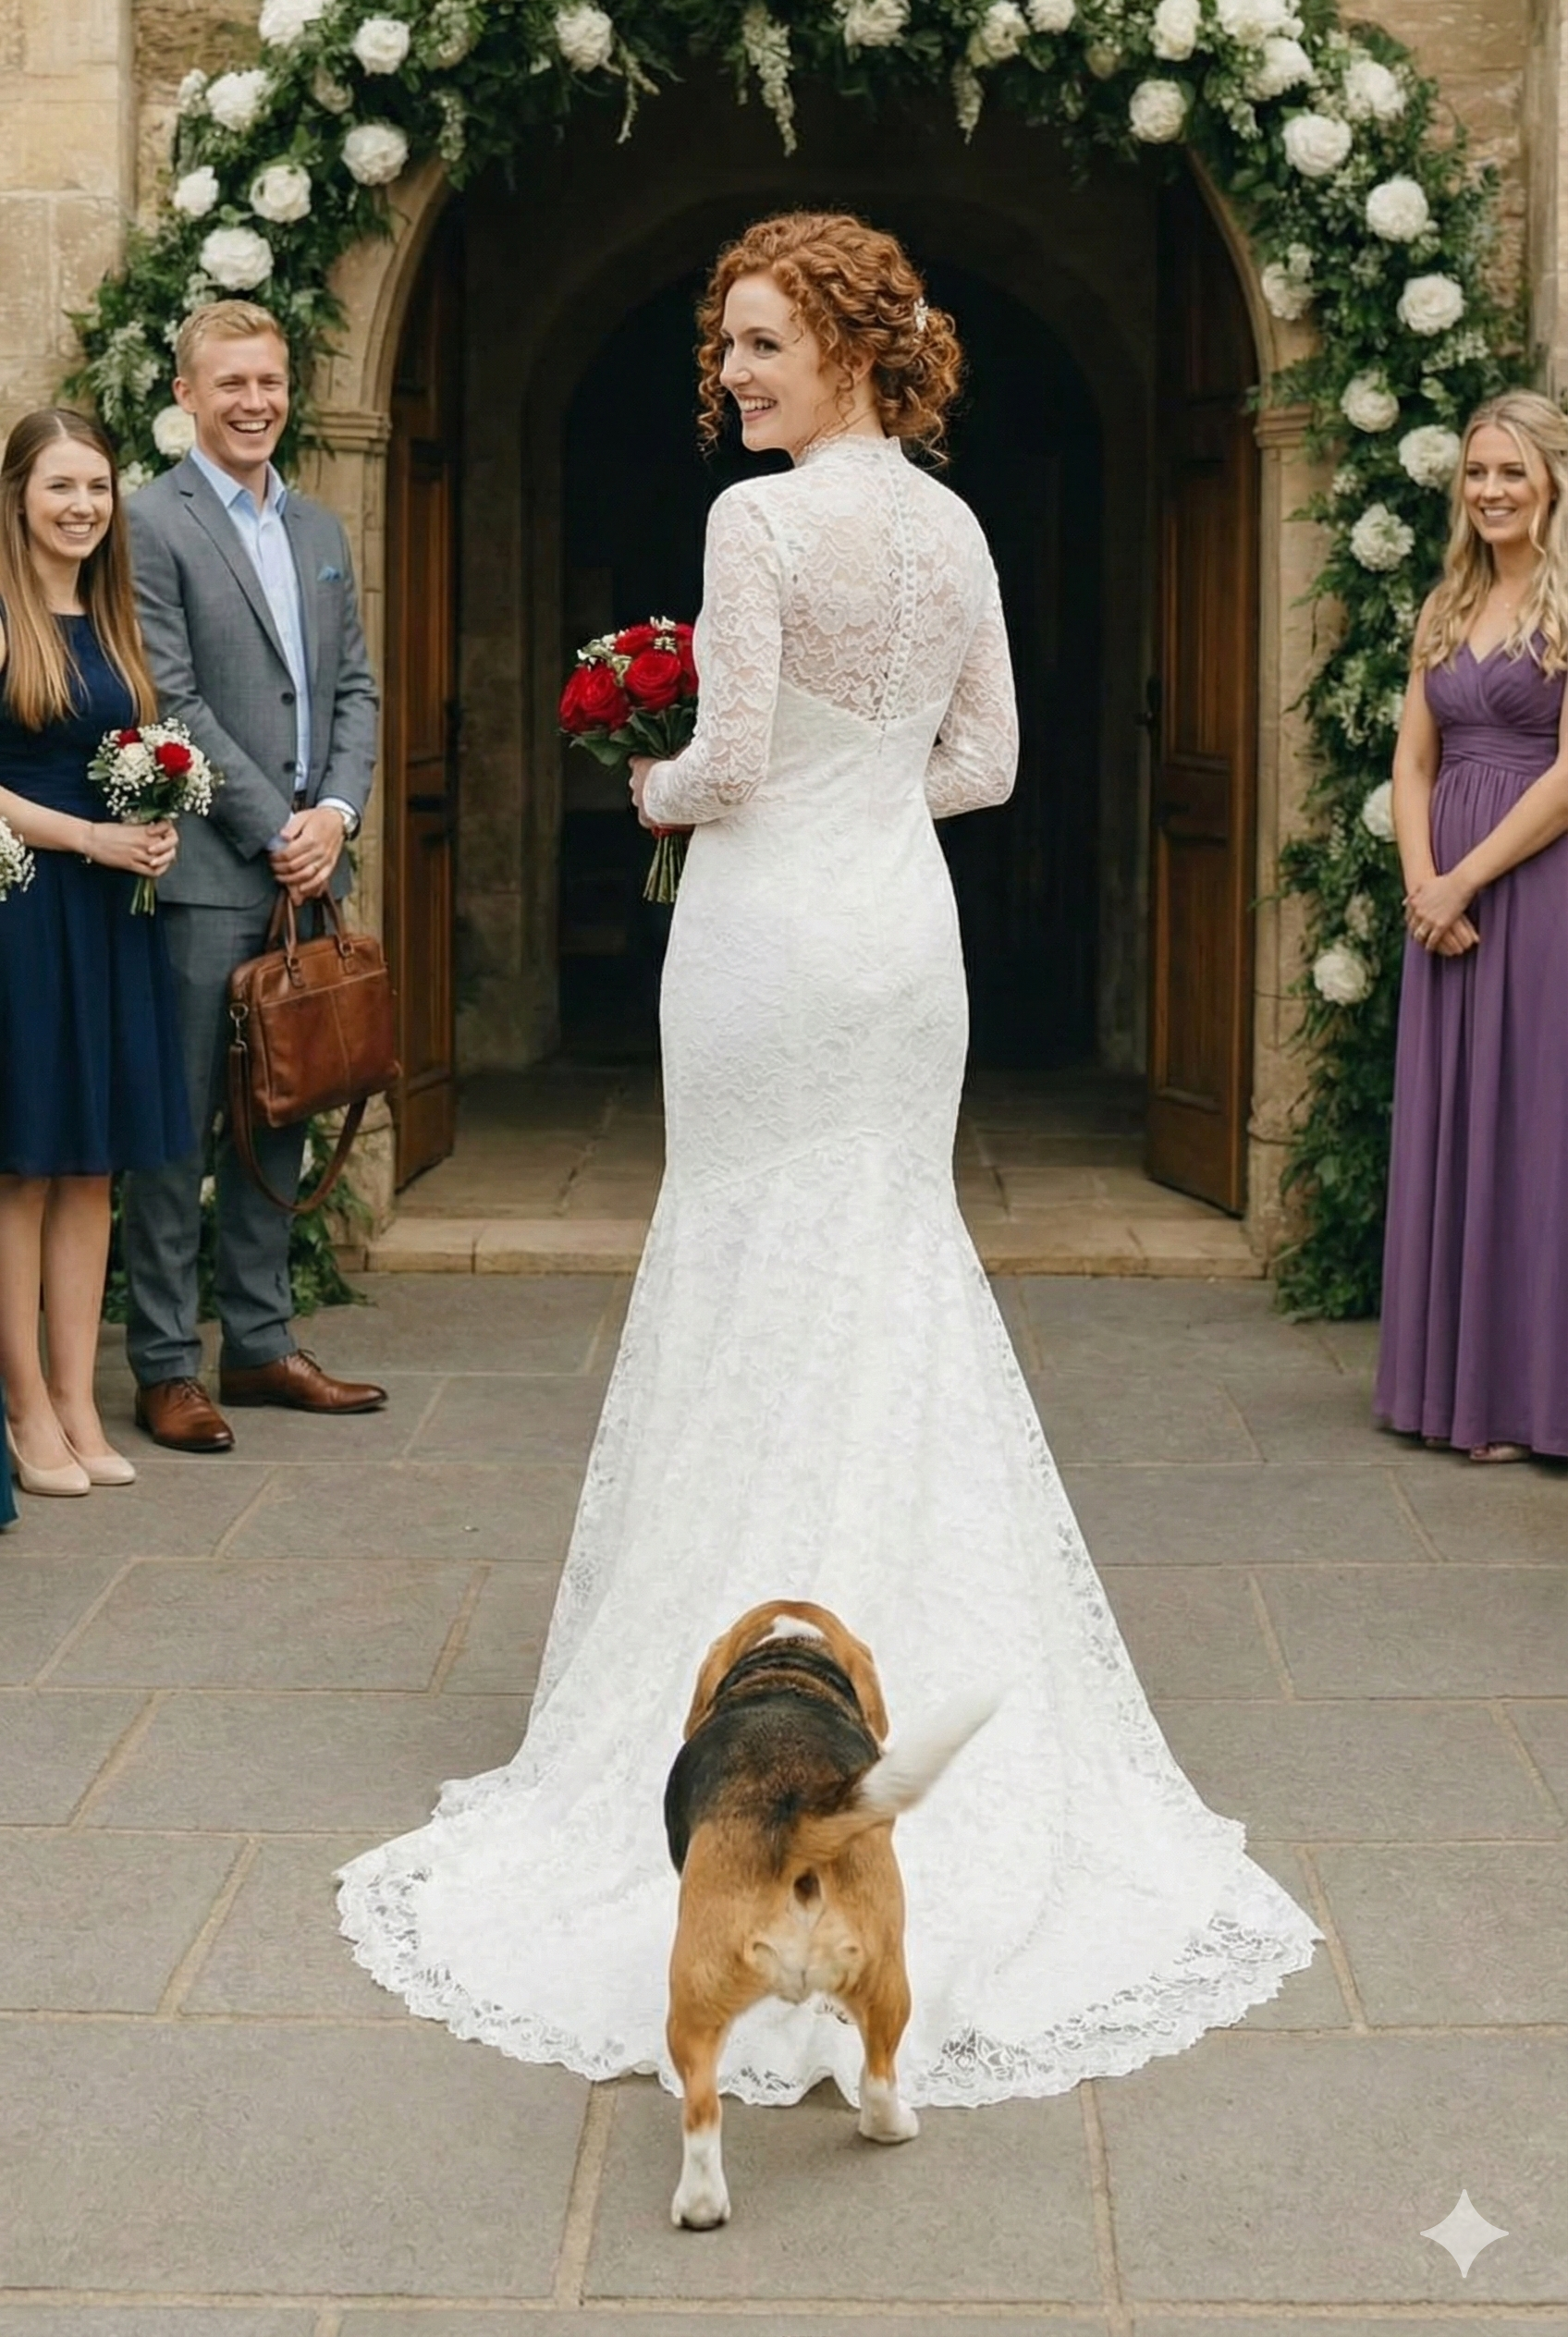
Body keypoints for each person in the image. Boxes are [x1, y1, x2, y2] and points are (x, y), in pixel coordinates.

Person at [339, 214, 1317, 2109]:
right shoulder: (949, 528)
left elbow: (725, 760)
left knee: (739, 1251)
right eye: (726, 346)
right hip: (896, 938)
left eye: (762, 342)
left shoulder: (757, 528)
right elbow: (990, 763)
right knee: (884, 1254)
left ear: (853, 346)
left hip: (770, 933)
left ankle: (725, 1702)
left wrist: (650, 776)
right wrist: (859, 783)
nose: (734, 375)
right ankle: (893, 1666)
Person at [120, 300, 386, 1454]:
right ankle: (169, 1364)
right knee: (180, 1129)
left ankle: (265, 1343)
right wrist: (278, 823)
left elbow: (355, 692)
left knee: (285, 1102)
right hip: (206, 875)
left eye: (270, 381)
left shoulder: (321, 529)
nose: (254, 401)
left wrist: (333, 814)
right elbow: (167, 695)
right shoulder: (150, 524)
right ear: (186, 393)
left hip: (303, 873)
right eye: (230, 382)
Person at [0, 408, 191, 1499]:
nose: (81, 507)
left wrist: (155, 814)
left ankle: (79, 1397)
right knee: (23, 1163)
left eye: (97, 489)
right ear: (19, 494)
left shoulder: (109, 612)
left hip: (115, 909)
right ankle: (25, 1406)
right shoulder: (3, 614)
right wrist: (88, 834)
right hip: (27, 905)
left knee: (91, 1164)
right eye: (60, 487)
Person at [1377, 391, 1568, 1462]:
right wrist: (1424, 880)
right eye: (1477, 473)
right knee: (1459, 1118)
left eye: (1511, 473)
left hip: (1537, 889)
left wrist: (1466, 883)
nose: (1490, 490)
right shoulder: (1447, 598)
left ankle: (1531, 1397)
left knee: (1536, 1123)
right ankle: (1461, 1391)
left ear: (1550, 484)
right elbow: (1413, 761)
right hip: (1441, 885)